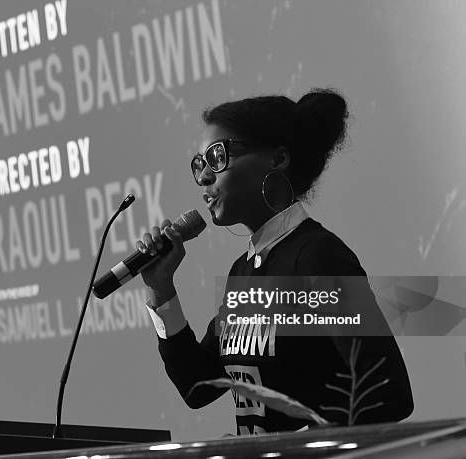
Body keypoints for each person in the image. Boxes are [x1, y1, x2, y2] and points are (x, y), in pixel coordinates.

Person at [136, 89, 413, 435]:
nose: (205, 177)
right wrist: (161, 289)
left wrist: (290, 446)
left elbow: (387, 393)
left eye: (217, 156)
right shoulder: (243, 272)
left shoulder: (317, 258)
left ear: (277, 159)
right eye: (199, 164)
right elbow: (197, 384)